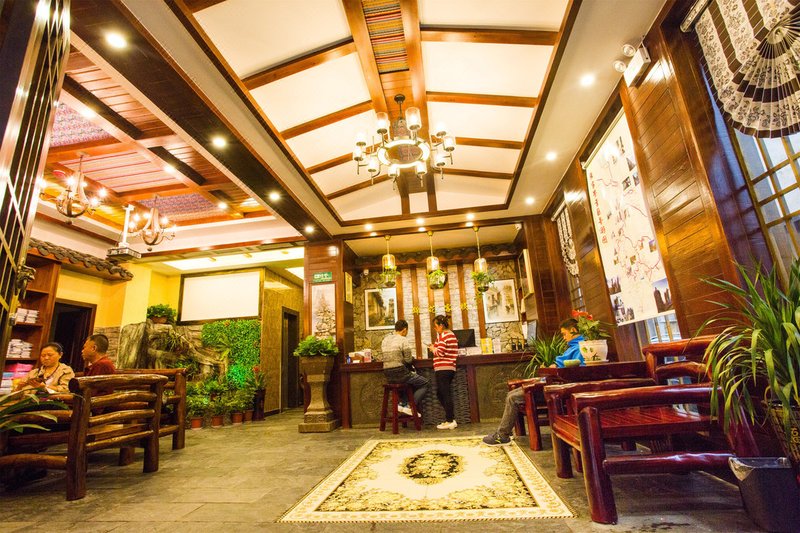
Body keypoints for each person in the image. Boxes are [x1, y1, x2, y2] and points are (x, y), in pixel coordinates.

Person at [483, 318, 584, 446]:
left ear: (573, 330)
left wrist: (554, 368)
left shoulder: (581, 348)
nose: (564, 338)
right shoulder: (573, 347)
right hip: (553, 384)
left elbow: (574, 370)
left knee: (513, 398)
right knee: (512, 394)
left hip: (557, 389)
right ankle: (503, 432)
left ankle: (502, 435)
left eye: (564, 334)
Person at [377, 319, 429, 416]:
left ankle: (402, 403)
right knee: (424, 383)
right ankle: (409, 406)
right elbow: (408, 360)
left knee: (408, 383)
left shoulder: (385, 340)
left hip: (388, 375)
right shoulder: (403, 339)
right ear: (404, 330)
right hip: (400, 373)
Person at [431, 315, 459, 430]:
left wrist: (433, 349)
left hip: (443, 369)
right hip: (448, 368)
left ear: (441, 326)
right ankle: (450, 418)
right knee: (441, 393)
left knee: (445, 394)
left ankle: (450, 420)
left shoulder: (444, 335)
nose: (435, 329)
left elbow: (440, 352)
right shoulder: (451, 335)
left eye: (436, 326)